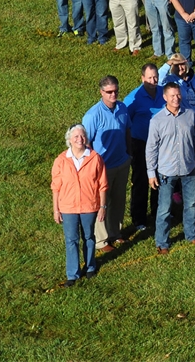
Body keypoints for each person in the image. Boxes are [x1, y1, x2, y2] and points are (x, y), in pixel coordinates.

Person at [146, 82, 195, 254]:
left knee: (191, 205)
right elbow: (151, 148)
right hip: (166, 171)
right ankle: (162, 242)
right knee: (164, 209)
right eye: (172, 95)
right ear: (165, 97)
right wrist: (151, 173)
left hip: (188, 168)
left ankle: (191, 234)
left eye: (178, 94)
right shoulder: (157, 121)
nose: (176, 98)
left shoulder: (190, 115)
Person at [51, 124, 107, 287]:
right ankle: (72, 274)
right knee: (71, 240)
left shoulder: (95, 158)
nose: (79, 139)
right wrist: (56, 209)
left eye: (82, 136)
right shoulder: (61, 160)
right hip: (68, 207)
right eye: (75, 137)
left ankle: (90, 267)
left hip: (89, 205)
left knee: (89, 237)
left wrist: (102, 206)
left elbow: (102, 184)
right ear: (69, 140)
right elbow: (55, 187)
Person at [81, 75, 131, 252]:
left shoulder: (123, 108)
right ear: (101, 92)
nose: (113, 95)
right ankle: (102, 240)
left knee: (118, 200)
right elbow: (86, 144)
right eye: (109, 92)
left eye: (116, 91)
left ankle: (115, 233)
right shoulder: (93, 115)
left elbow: (127, 131)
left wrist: (128, 155)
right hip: (103, 167)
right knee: (102, 203)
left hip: (122, 162)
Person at [123, 65, 163, 230]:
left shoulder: (163, 93)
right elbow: (125, 123)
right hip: (140, 143)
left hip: (161, 143)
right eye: (149, 78)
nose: (153, 81)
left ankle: (158, 212)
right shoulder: (133, 99)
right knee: (140, 180)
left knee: (160, 178)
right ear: (142, 78)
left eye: (155, 77)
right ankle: (139, 218)